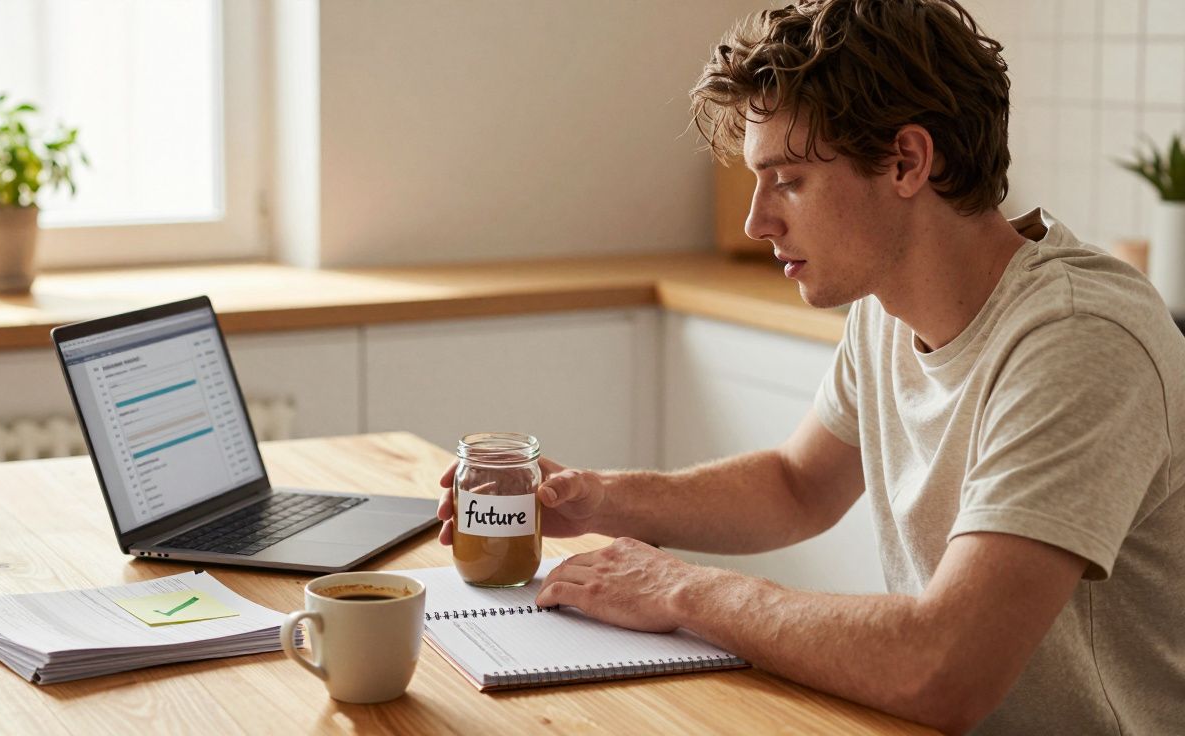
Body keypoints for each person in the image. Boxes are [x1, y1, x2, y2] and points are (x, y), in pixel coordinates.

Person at [436, 0, 1185, 732]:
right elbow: (798, 486)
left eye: (788, 179)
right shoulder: (886, 305)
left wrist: (681, 590)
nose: (755, 221)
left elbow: (945, 665)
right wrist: (598, 498)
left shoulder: (1079, 339)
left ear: (906, 161)